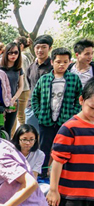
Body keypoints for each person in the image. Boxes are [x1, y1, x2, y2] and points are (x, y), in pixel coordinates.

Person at [47, 77, 94, 206]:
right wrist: (54, 190)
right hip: (70, 193)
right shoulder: (70, 127)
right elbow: (57, 161)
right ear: (82, 100)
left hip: (91, 193)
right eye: (92, 107)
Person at [31, 47, 82, 179]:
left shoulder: (74, 79)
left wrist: (73, 115)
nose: (62, 64)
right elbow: (35, 96)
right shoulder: (44, 79)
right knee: (44, 148)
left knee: (63, 148)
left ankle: (62, 175)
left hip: (65, 121)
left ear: (70, 62)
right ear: (52, 62)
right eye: (58, 61)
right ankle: (42, 174)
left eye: (65, 62)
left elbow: (79, 99)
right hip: (46, 120)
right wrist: (38, 113)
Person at [25, 34, 54, 131]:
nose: (40, 50)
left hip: (49, 108)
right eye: (37, 47)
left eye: (44, 47)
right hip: (31, 107)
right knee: (30, 136)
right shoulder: (31, 67)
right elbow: (30, 85)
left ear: (50, 48)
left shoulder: (54, 67)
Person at [11, 124, 50, 195]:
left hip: (28, 184)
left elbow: (34, 176)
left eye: (31, 140)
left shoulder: (40, 154)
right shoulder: (10, 151)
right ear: (18, 138)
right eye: (24, 139)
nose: (28, 143)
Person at [0, 42, 24, 136]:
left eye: (16, 52)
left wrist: (13, 99)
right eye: (10, 52)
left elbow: (21, 86)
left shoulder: (18, 69)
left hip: (13, 102)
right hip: (0, 103)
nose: (13, 55)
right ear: (6, 53)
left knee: (8, 129)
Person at [14, 36, 34, 129]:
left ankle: (24, 135)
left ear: (21, 46)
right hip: (26, 88)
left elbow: (23, 73)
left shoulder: (22, 57)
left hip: (23, 89)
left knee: (21, 116)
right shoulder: (29, 55)